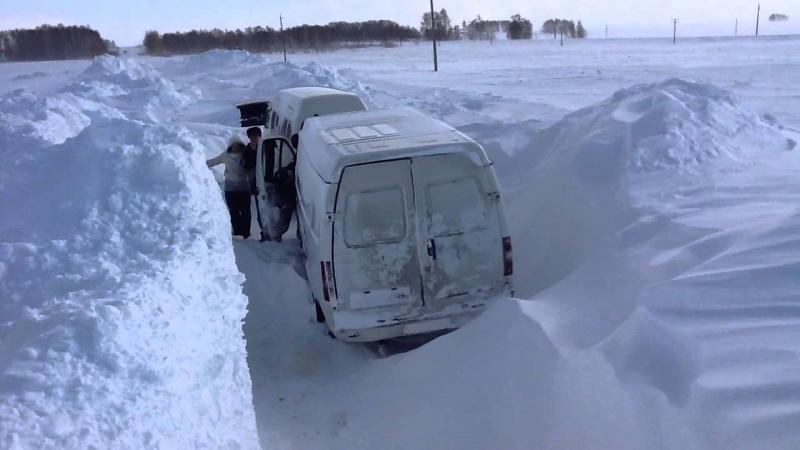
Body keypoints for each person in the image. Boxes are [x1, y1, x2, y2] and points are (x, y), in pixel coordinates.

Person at [206, 138, 252, 239]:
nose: (236, 147)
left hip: (243, 187)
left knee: (245, 211)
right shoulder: (225, 155)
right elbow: (213, 162)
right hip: (230, 188)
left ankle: (245, 232)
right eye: (234, 145)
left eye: (238, 145)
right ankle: (236, 230)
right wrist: (198, 163)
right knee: (233, 210)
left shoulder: (246, 154)